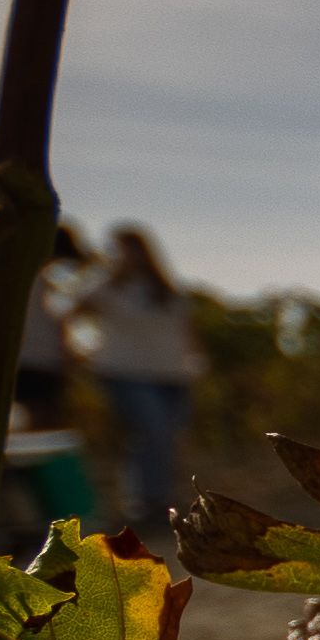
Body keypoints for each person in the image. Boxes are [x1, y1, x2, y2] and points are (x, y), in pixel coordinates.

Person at [70, 225, 201, 531]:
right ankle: (143, 503)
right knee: (149, 433)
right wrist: (79, 354)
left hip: (172, 374)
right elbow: (71, 313)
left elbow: (187, 329)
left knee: (165, 439)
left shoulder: (165, 290)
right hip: (125, 372)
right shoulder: (105, 287)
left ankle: (160, 501)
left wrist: (196, 362)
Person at [15, 222, 86, 428]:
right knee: (41, 421)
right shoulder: (36, 282)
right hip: (38, 362)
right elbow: (58, 322)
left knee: (32, 420)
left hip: (27, 360)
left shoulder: (37, 280)